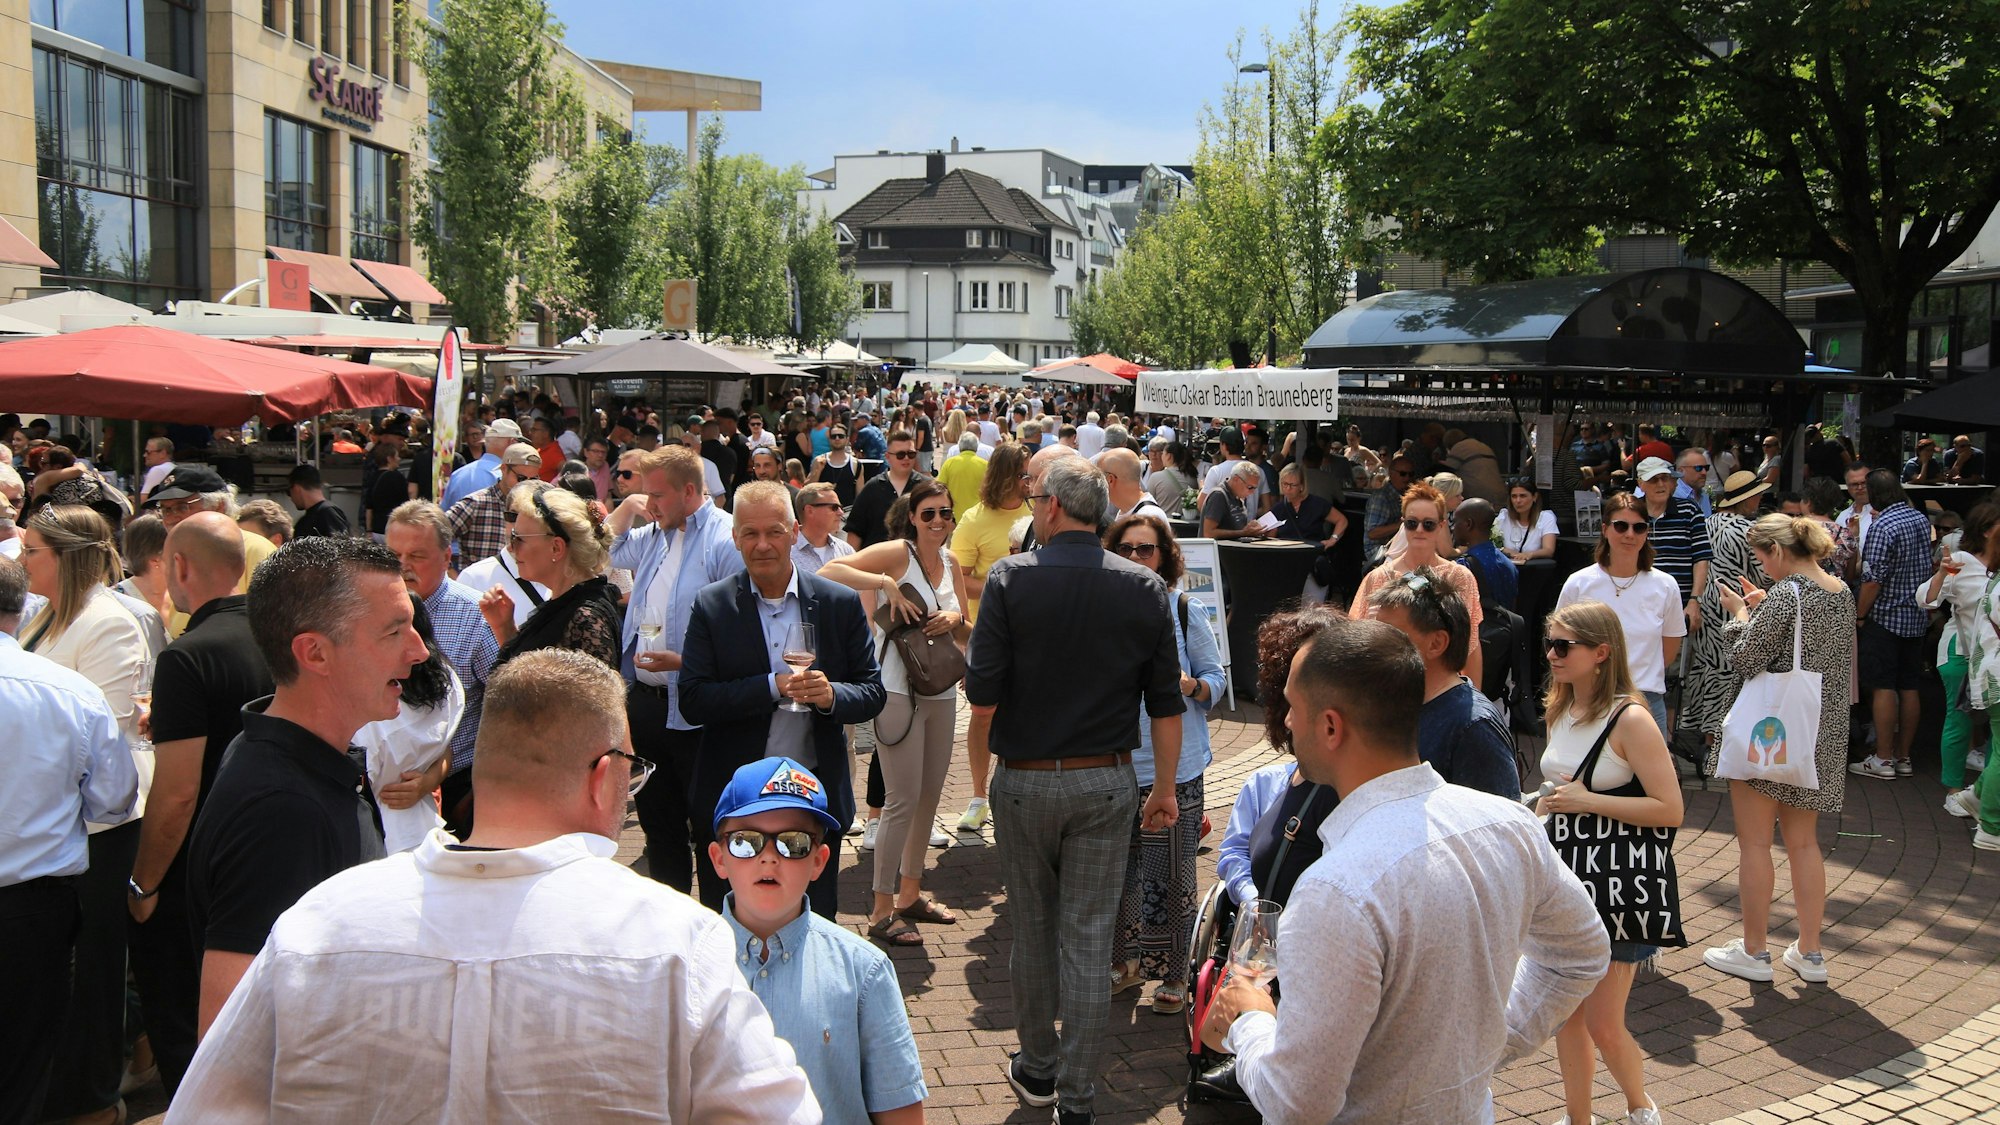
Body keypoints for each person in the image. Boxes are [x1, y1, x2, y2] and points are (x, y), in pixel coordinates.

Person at [169, 649, 820, 1123]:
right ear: (603, 778)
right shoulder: (676, 939)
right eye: (631, 769)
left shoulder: (319, 921)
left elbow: (206, 1109)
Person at [1200, 617, 1609, 1122]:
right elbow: (1582, 952)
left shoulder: (1334, 889)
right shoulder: (1509, 824)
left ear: (1330, 727)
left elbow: (1297, 1103)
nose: (1286, 722)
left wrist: (1248, 1021)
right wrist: (1482, 1049)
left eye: (1293, 708)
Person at [966, 457, 1184, 1124]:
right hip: (1106, 778)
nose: (1032, 506)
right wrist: (1165, 787)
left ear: (1054, 507)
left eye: (1035, 497)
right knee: (1089, 941)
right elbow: (1166, 703)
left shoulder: (1010, 578)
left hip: (1027, 779)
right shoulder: (1144, 586)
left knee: (1033, 932)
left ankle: (1038, 1068)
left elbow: (982, 693)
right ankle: (1079, 1098)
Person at [183, 537, 428, 1037]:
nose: (419, 650)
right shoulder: (282, 811)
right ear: (314, 652)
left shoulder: (291, 762)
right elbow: (229, 1029)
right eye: (394, 631)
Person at [679, 480, 885, 917]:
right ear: (734, 538)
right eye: (750, 533)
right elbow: (693, 700)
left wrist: (830, 695)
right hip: (736, 798)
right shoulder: (713, 605)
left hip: (812, 795)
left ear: (793, 532)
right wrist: (773, 687)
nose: (762, 545)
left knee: (813, 922)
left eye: (774, 532)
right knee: (732, 926)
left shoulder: (837, 602)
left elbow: (871, 691)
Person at [124, 512, 273, 1099]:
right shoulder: (279, 637)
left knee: (186, 1031)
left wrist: (142, 884)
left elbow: (178, 792)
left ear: (179, 566)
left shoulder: (186, 656)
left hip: (197, 873)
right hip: (268, 853)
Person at [17, 504, 149, 1125]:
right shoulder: (46, 613)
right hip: (55, 819)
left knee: (93, 965)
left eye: (32, 551)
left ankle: (93, 1100)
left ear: (66, 558)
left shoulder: (107, 623)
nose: (22, 561)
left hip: (98, 825)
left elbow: (109, 739)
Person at [709, 757, 928, 1123]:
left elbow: (900, 1109)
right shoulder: (682, 965)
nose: (769, 858)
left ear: (818, 861)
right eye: (746, 842)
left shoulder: (863, 970)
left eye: (793, 843)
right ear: (719, 858)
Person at [1538, 601, 1685, 1125]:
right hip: (1567, 880)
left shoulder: (1632, 719)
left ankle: (1641, 1107)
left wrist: (1588, 801)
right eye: (1549, 643)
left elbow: (1671, 809)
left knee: (1603, 1022)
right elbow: (1562, 787)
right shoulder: (1561, 707)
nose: (1552, 655)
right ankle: (1579, 1119)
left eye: (1563, 645)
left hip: (1617, 884)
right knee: (1568, 1018)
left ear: (1601, 653)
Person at [816, 479, 968, 946]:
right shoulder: (897, 554)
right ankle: (882, 909)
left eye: (945, 513)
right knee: (901, 800)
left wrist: (955, 620)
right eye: (929, 514)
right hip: (897, 690)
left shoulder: (951, 562)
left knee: (929, 797)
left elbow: (965, 629)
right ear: (912, 517)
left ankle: (910, 893)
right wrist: (884, 583)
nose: (938, 521)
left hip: (940, 689)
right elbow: (829, 570)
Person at [1705, 514, 1854, 983]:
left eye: (1762, 557)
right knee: (1804, 843)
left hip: (1770, 733)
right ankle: (1810, 953)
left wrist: (1740, 615)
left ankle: (1754, 951)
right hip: (1818, 734)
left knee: (1754, 843)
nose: (1762, 566)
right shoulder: (1840, 591)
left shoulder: (1788, 593)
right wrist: (1763, 607)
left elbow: (1745, 658)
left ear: (1778, 550)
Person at [1103, 513, 1224, 1016]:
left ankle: (1174, 973)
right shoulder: (1102, 608)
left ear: (1164, 556)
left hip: (1176, 767)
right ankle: (1125, 962)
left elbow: (1217, 681)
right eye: (1125, 549)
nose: (1135, 558)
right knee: (1118, 870)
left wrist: (1189, 685)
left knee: (1171, 873)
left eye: (1145, 549)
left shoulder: (1183, 609)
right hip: (1114, 762)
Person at [611, 445, 743, 894]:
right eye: (646, 494)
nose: (649, 504)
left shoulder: (724, 539)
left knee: (710, 828)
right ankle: (671, 921)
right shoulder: (656, 532)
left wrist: (685, 663)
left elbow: (743, 636)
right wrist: (629, 507)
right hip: (648, 704)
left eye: (657, 495)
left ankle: (715, 925)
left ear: (689, 491)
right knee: (659, 826)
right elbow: (607, 549)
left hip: (698, 709)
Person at [384, 501, 497, 836]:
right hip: (383, 787)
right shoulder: (368, 610)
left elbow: (503, 704)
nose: (403, 566)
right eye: (394, 555)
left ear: (447, 557)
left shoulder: (476, 616)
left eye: (416, 556)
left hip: (459, 788)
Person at [1370, 566, 1522, 799]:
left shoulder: (1474, 726)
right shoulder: (1395, 703)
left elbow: (1501, 818)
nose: (1375, 645)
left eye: (1390, 634)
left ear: (1436, 643)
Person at [1555, 491, 1686, 734]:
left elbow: (1668, 650)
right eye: (1621, 526)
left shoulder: (1665, 586)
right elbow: (1559, 644)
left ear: (1647, 533)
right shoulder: (1579, 583)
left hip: (1645, 700)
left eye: (1639, 527)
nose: (1630, 534)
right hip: (1589, 698)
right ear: (1605, 529)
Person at [356, 593, 463, 853]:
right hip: (420, 828)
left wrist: (426, 783)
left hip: (377, 833)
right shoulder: (447, 681)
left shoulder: (369, 698)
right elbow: (445, 751)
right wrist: (427, 781)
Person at [1352, 480, 1486, 684]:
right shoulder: (1378, 577)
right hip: (1390, 684)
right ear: (1403, 524)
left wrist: (1474, 696)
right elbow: (1357, 640)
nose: (1419, 530)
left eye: (1428, 524)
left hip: (1442, 686)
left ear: (1441, 525)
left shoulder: (1459, 577)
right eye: (1412, 523)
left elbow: (1470, 644)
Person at [480, 483, 620, 670]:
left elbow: (594, 690)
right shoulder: (565, 603)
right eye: (512, 536)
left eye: (519, 539)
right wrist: (504, 628)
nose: (511, 548)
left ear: (556, 548)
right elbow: (524, 672)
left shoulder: (585, 620)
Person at [1851, 470, 1935, 779]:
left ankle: (1883, 759)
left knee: (1883, 686)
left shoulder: (1883, 525)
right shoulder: (1919, 519)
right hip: (1915, 615)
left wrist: (1860, 615)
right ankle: (1903, 756)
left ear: (1874, 494)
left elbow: (1873, 579)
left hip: (1885, 616)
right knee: (1909, 686)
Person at [1681, 471, 1771, 744]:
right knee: (1728, 669)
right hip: (1734, 606)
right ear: (1747, 499)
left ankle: (1700, 727)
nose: (1759, 499)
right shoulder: (1749, 531)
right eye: (1757, 495)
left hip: (1704, 603)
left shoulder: (1706, 523)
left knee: (1706, 663)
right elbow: (1765, 574)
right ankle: (1717, 735)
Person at [1927, 505, 1996, 816]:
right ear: (1987, 530)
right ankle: (1954, 792)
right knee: (1960, 721)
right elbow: (1926, 599)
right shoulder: (1963, 561)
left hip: (1991, 659)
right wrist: (1942, 572)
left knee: (1995, 729)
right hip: (1961, 654)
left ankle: (1986, 794)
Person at [149, 465, 277, 593]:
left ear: (218, 507)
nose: (171, 518)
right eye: (166, 510)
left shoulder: (255, 549)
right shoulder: (173, 556)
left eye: (182, 507)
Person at [1634, 457, 1712, 634]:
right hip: (1638, 603)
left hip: (1680, 605)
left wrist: (1695, 600)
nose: (1661, 484)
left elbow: (1701, 558)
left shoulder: (1689, 510)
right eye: (1653, 480)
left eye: (1665, 478)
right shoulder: (1632, 513)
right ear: (1641, 484)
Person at [446, 442, 542, 569]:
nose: (526, 485)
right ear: (504, 469)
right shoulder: (476, 504)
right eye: (521, 478)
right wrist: (450, 571)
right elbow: (435, 536)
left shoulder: (537, 509)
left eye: (533, 480)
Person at [846, 429, 924, 549]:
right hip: (876, 557)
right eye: (900, 455)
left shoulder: (925, 488)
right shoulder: (872, 488)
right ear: (887, 457)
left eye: (911, 454)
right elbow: (855, 530)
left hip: (916, 557)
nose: (906, 458)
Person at [440, 417, 521, 509]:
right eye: (519, 442)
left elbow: (444, 513)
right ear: (512, 442)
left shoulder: (458, 474)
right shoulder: (507, 476)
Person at [1270, 463, 1347, 545]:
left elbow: (1341, 520)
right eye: (1285, 484)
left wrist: (1333, 539)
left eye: (1293, 485)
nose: (1288, 488)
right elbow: (1270, 537)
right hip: (1287, 551)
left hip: (1312, 551)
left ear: (1301, 486)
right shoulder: (1278, 509)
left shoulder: (1317, 504)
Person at [1364, 456, 1416, 564]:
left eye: (1410, 474)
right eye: (1403, 474)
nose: (1407, 478)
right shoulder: (1381, 498)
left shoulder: (1407, 495)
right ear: (1391, 473)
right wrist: (1402, 525)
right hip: (1380, 551)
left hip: (1398, 546)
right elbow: (1372, 533)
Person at [1202, 461, 1271, 541]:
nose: (1252, 492)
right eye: (1250, 487)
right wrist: (1243, 532)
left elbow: (1237, 528)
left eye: (1255, 488)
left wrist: (1251, 528)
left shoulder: (1238, 496)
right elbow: (1209, 533)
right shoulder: (1219, 495)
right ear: (1236, 479)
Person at [285, 463, 349, 539]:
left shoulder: (328, 512)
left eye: (289, 492)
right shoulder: (304, 521)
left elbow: (341, 544)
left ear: (296, 488)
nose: (291, 498)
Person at [809, 422, 861, 507]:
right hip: (823, 509)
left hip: (846, 511)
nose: (837, 439)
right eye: (833, 436)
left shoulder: (855, 464)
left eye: (841, 436)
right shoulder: (819, 461)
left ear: (847, 439)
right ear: (829, 439)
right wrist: (818, 471)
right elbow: (809, 490)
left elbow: (860, 495)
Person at [937, 431, 988, 517]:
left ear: (959, 446)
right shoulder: (985, 465)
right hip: (977, 515)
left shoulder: (949, 463)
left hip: (953, 514)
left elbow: (940, 487)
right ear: (976, 447)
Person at [1144, 438, 1194, 517]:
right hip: (1186, 522)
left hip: (1163, 521)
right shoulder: (1192, 477)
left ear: (1168, 456)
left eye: (1162, 453)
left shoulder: (1156, 477)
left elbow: (1148, 504)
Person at [1673, 447, 1715, 517]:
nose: (1704, 472)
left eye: (1706, 468)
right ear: (1681, 471)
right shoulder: (1672, 496)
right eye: (1698, 468)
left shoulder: (1705, 495)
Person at [137, 436, 176, 502]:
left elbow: (142, 502)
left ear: (162, 454)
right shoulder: (172, 467)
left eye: (148, 452)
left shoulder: (158, 470)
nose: (144, 455)